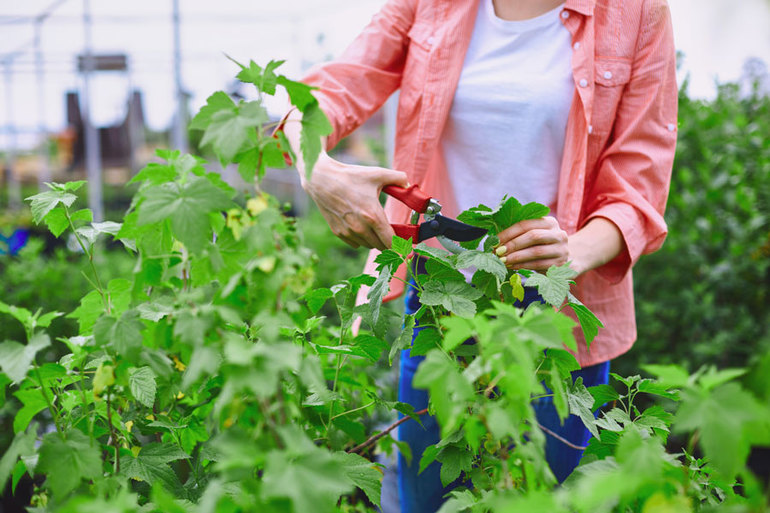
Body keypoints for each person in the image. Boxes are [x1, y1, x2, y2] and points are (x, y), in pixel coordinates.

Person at [281, 0, 677, 510]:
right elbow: (332, 88)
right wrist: (315, 166)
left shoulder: (636, 12)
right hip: (440, 305)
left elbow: (639, 184)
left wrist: (573, 251)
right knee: (431, 497)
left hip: (558, 315)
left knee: (546, 497)